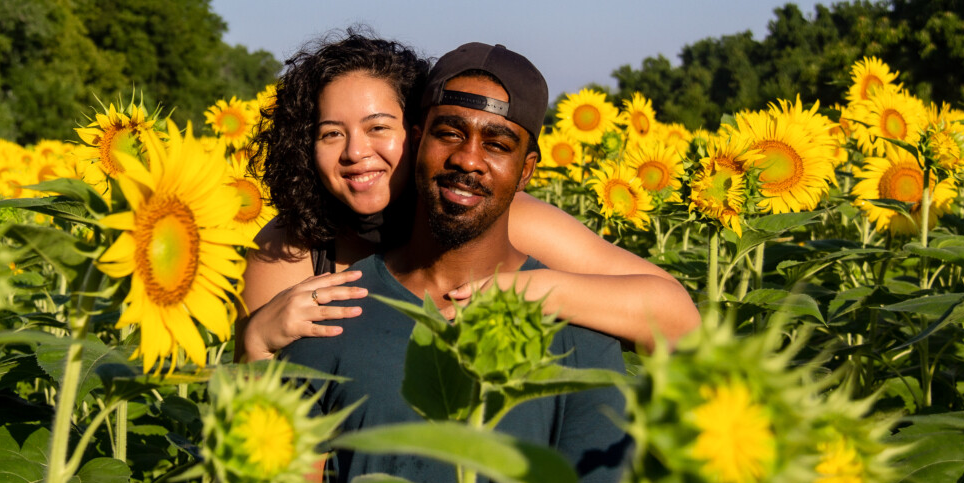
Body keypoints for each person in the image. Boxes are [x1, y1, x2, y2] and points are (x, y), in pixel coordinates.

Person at [259, 43, 630, 483]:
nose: (469, 159)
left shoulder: (579, 332)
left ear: (527, 169)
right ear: (418, 140)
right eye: (449, 132)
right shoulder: (328, 307)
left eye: (498, 143)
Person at [238, 30, 698, 362]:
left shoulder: (502, 220)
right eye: (331, 133)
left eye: (378, 128)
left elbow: (679, 321)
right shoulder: (292, 248)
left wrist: (528, 288)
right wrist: (254, 342)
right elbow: (252, 444)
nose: (357, 152)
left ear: (417, 135)